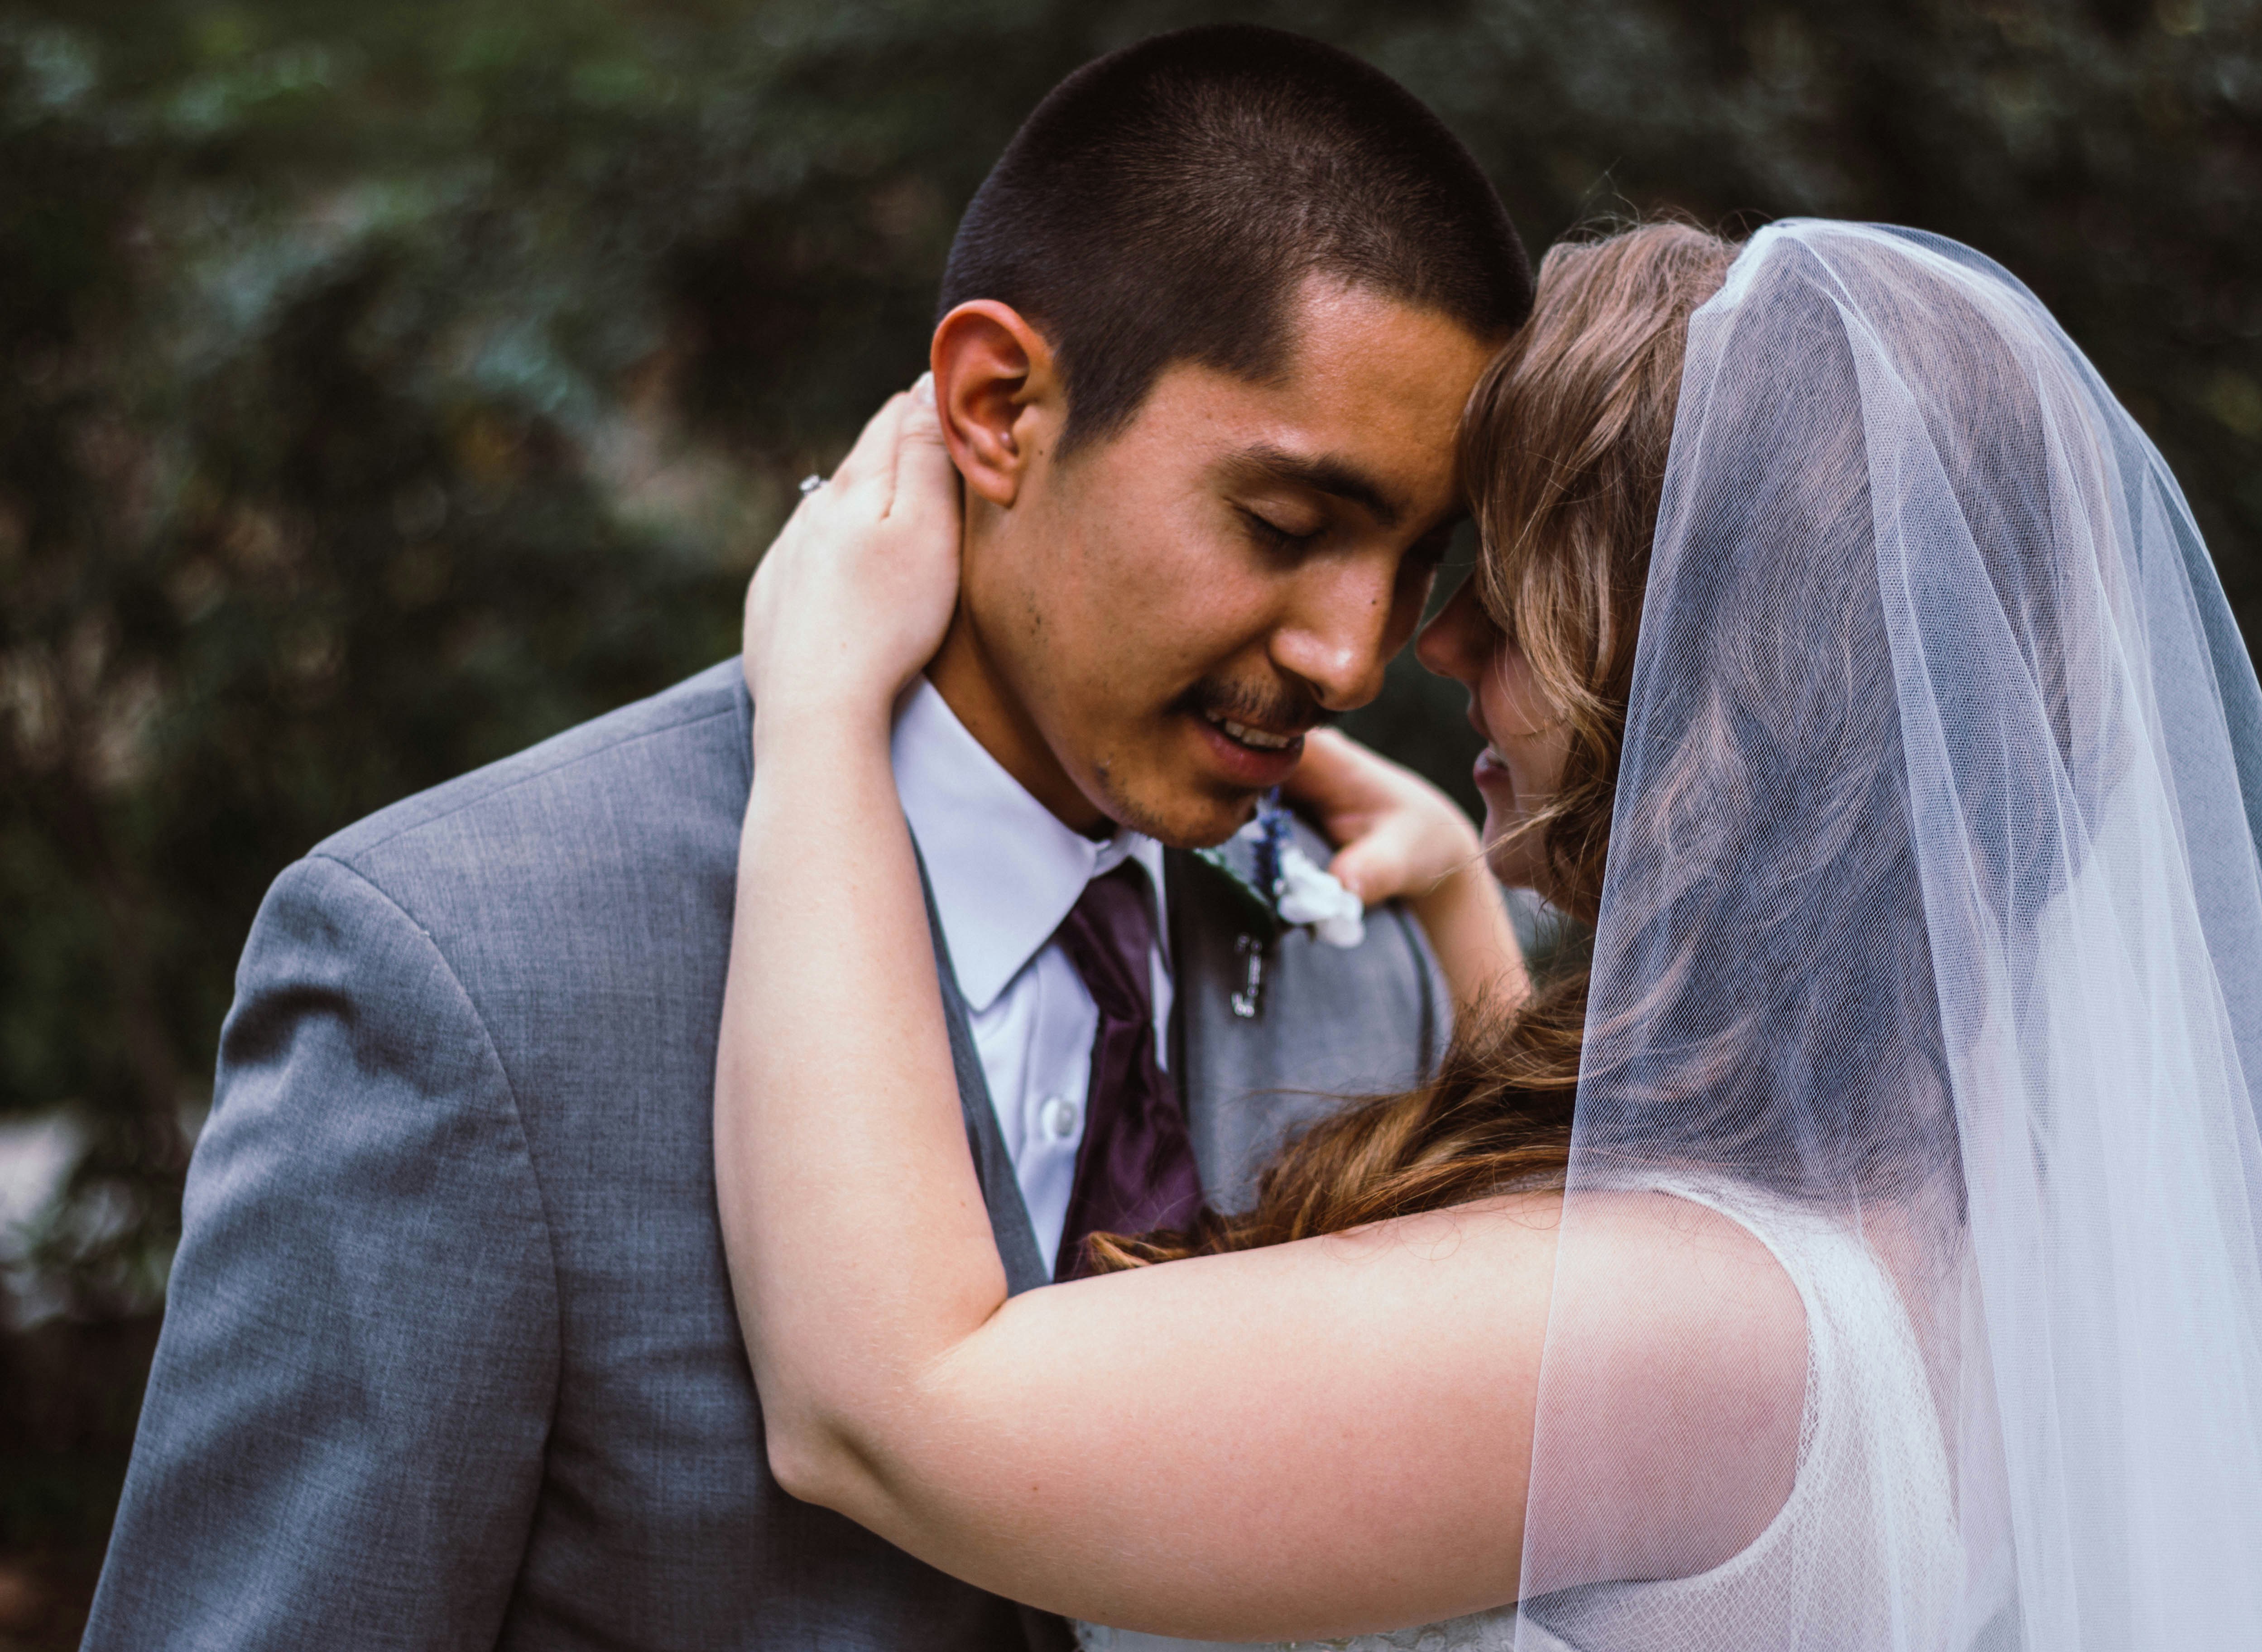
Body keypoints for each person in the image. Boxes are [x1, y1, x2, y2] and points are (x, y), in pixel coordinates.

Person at [716, 218, 2262, 1651]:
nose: (1442, 639)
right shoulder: (1961, 1191)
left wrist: (816, 702)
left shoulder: (1698, 1331)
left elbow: (892, 1410)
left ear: (1702, 661)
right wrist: (1477, 903)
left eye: (1520, 577)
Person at [81, 27, 1534, 1652]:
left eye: (1415, 562)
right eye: (1285, 526)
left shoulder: (1354, 947)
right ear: (1000, 408)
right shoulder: (457, 974)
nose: (1355, 653)